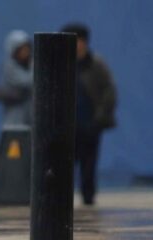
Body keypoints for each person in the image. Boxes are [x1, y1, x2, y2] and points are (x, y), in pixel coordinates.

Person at [61, 23, 116, 206]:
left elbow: (109, 90)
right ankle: (62, 200)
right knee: (63, 165)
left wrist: (100, 116)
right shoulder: (59, 64)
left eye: (80, 41)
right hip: (65, 126)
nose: (77, 45)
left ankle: (88, 196)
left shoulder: (95, 63)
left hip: (89, 124)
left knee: (89, 164)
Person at [0, 30, 32, 129]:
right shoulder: (9, 68)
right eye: (21, 49)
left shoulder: (32, 65)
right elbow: (27, 82)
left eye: (27, 47)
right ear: (14, 51)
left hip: (32, 122)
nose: (26, 52)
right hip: (15, 124)